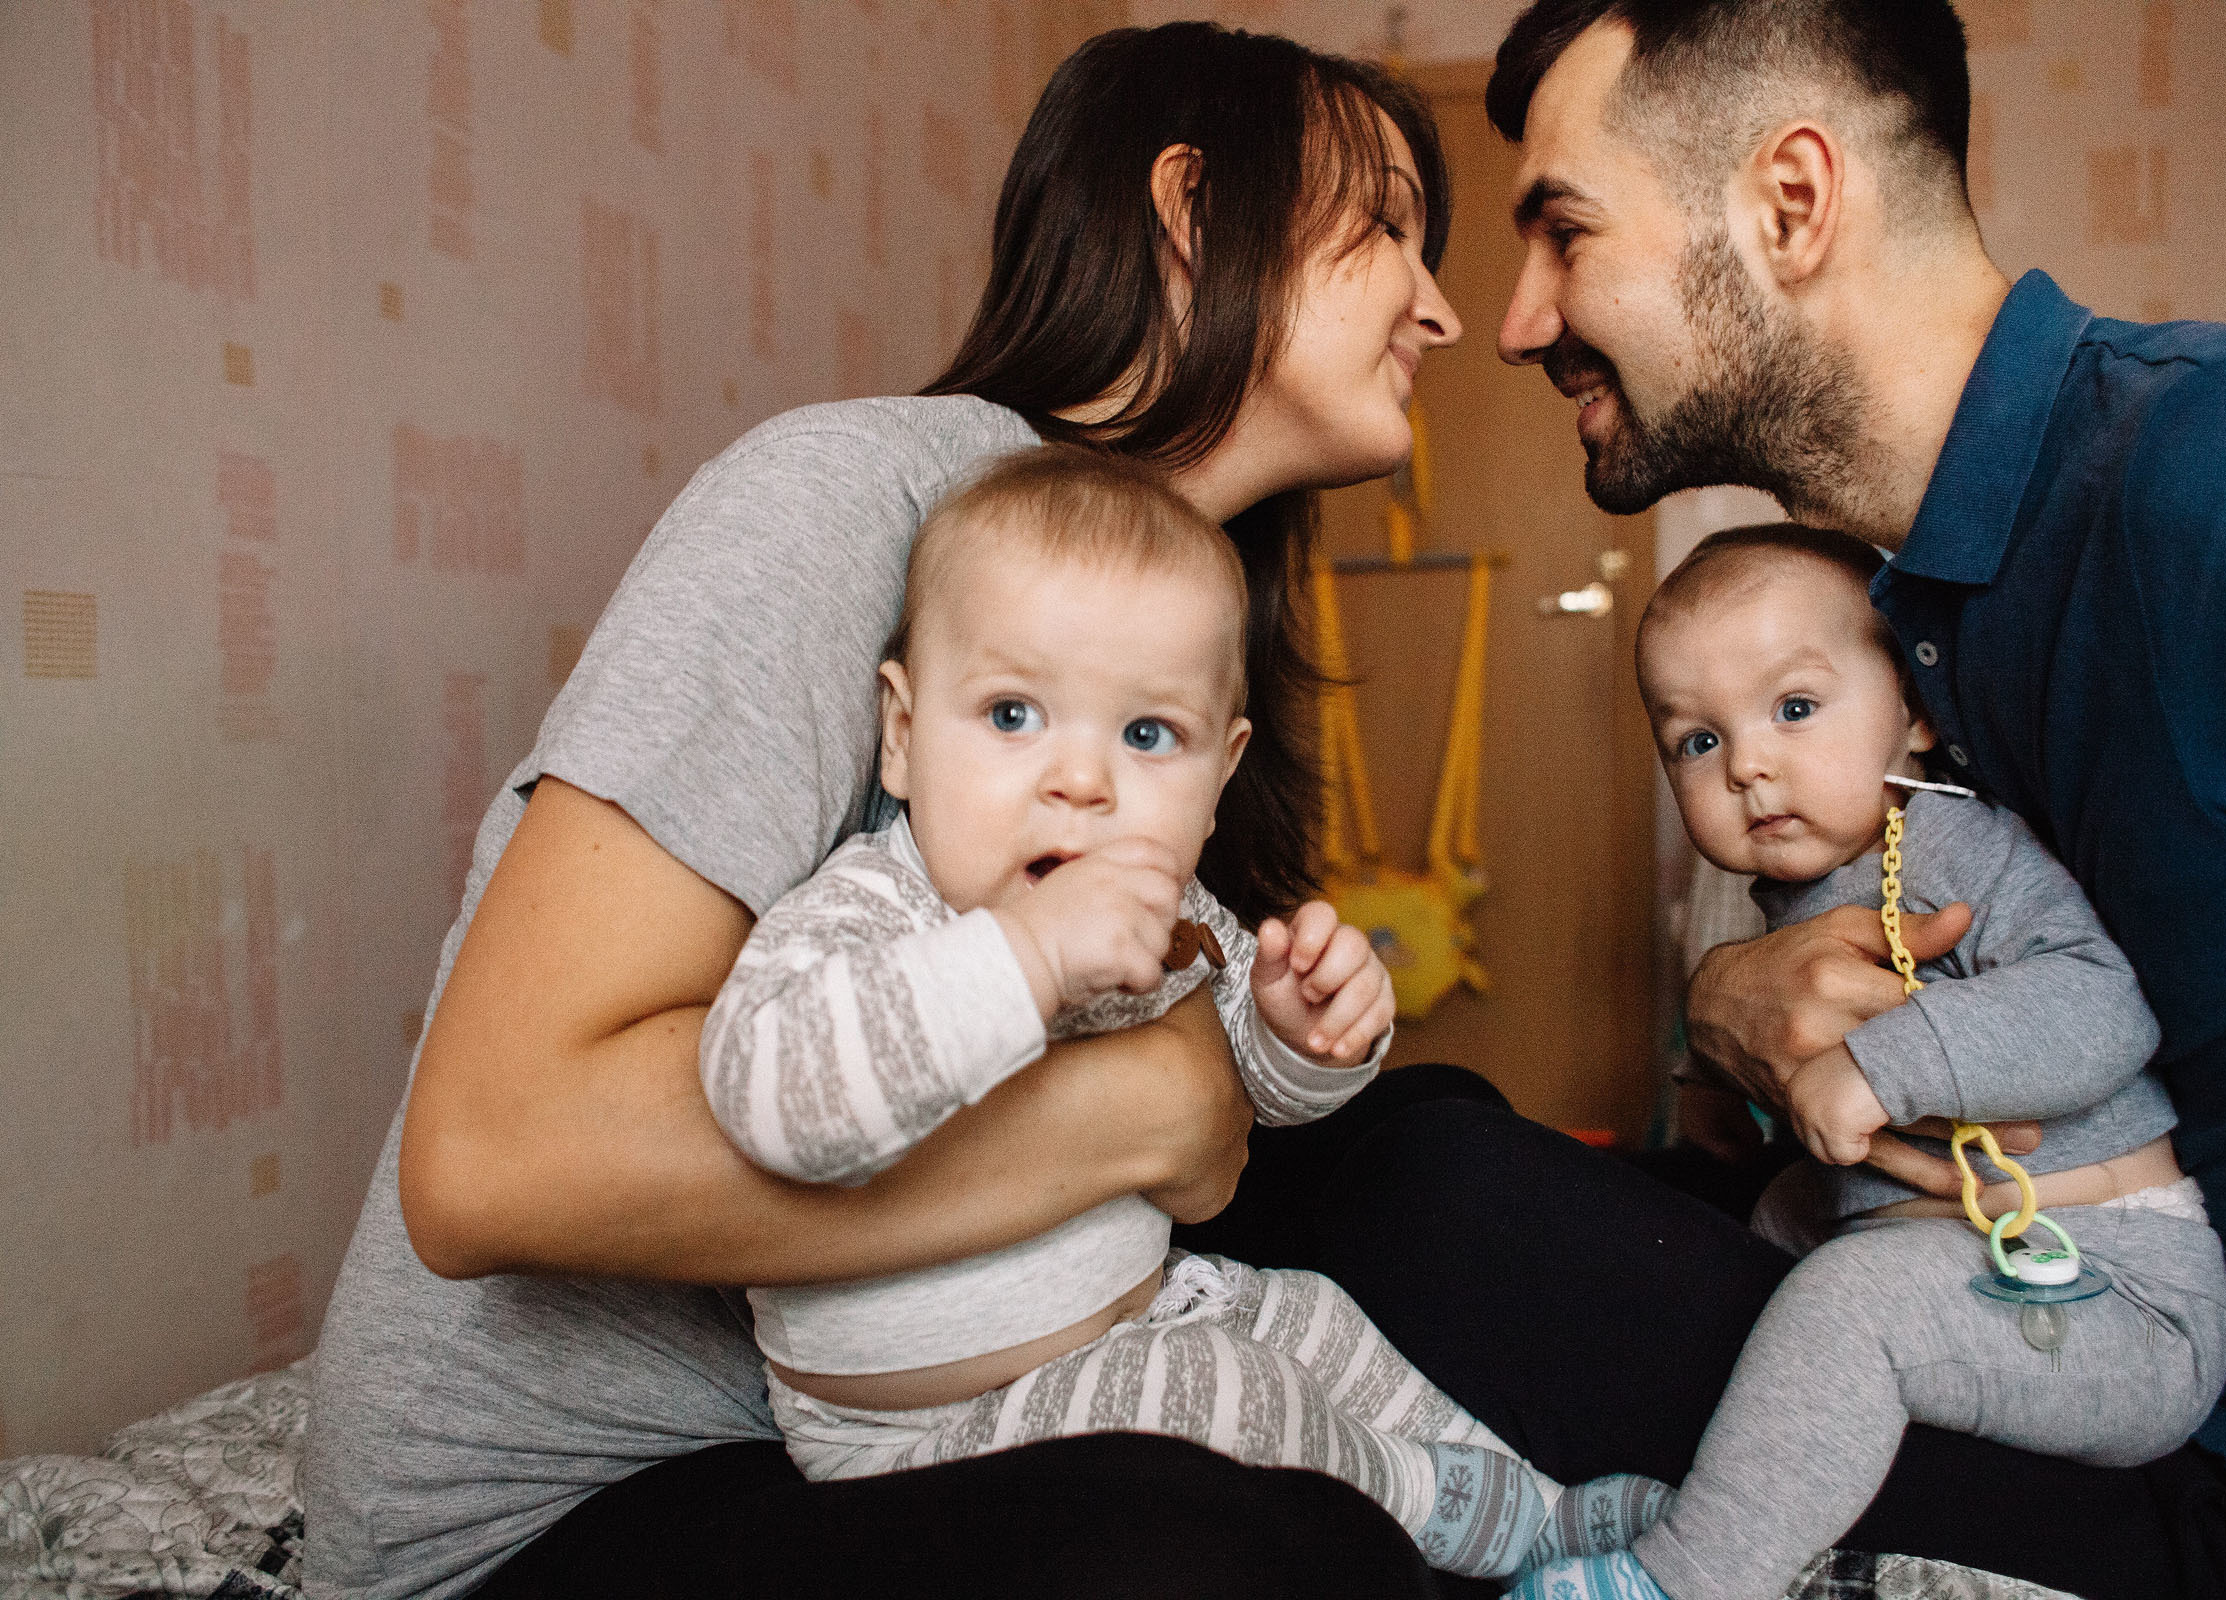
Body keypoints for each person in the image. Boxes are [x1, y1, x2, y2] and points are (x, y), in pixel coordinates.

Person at [302, 24, 1487, 1600]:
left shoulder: (1201, 630)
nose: (1442, 307)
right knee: (1219, 1547)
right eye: (1387, 224)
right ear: (1192, 212)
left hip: (934, 1401)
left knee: (1443, 1144)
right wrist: (1151, 1105)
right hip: (566, 1513)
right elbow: (490, 1160)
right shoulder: (845, 501)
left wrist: (1271, 1052)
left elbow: (1217, 1093)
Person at [1375, 0, 2226, 1593]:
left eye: (1564, 231)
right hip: (2015, 1294)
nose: (1514, 321)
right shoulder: (1900, 606)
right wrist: (1732, 993)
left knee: (1432, 1202)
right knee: (1418, 1133)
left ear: (1791, 203)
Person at [701, 446, 1612, 1583]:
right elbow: (771, 1094)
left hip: (1136, 1319)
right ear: (902, 732)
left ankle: (1547, 1512)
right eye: (1013, 714)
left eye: (1145, 736)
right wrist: (1027, 957)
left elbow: (1255, 1103)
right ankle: (1461, 1515)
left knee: (1313, 1321)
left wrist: (1302, 1036)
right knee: (1215, 1391)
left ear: (1220, 774)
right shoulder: (872, 908)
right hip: (913, 1439)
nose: (1081, 783)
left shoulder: (1175, 916)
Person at [1514, 523, 2226, 1600]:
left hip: (2118, 1292)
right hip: (1963, 1256)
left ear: (1916, 714)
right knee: (1752, 1247)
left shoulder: (1954, 843)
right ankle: (1687, 1497)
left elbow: (2103, 1007)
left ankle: (1688, 1576)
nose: (1748, 764)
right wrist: (1728, 1094)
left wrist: (1881, 1067)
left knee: (1846, 1307)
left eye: (1795, 708)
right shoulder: (1791, 892)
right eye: (1697, 741)